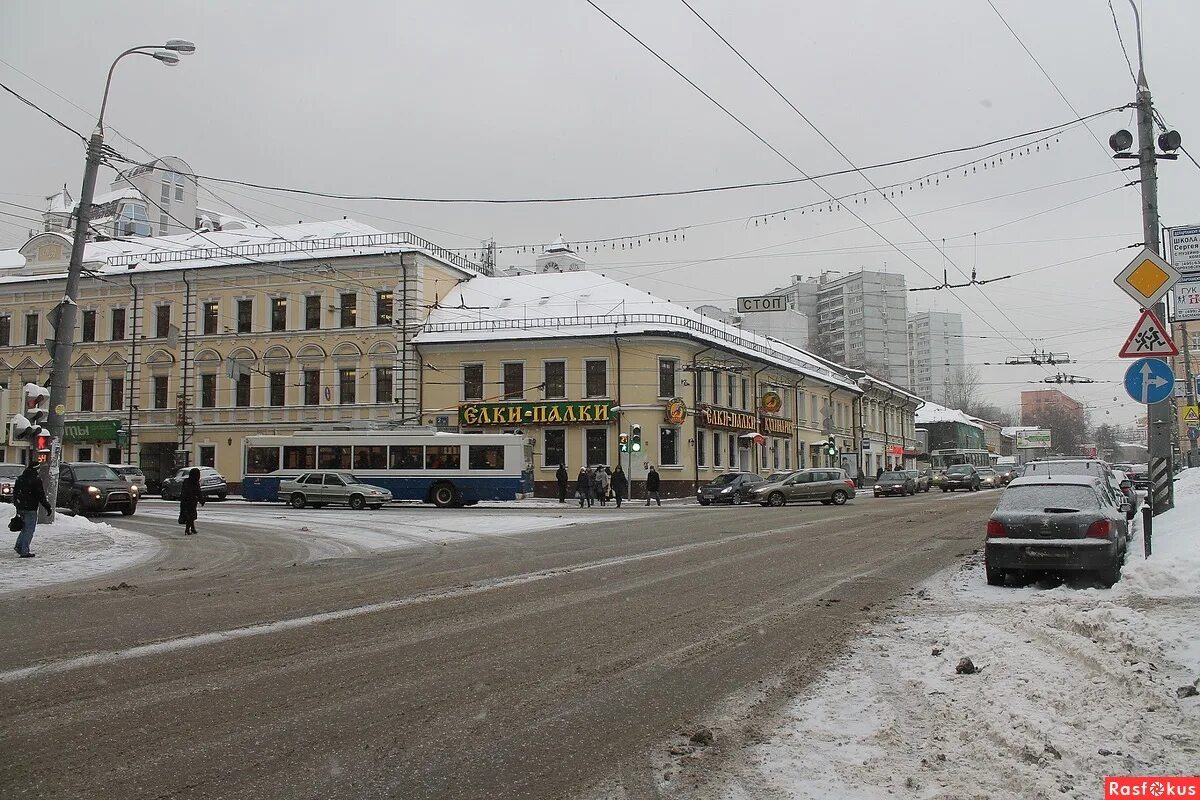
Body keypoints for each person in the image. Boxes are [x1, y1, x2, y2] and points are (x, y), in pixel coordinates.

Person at [13, 463, 51, 558]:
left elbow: (15, 493)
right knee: (29, 529)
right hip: (30, 508)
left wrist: (17, 504)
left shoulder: (20, 478)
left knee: (24, 528)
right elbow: (40, 495)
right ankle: (24, 550)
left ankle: (19, 546)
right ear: (36, 469)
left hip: (21, 507)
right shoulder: (36, 480)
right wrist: (47, 507)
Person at [178, 467, 205, 535]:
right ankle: (187, 529)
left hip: (188, 501)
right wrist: (201, 500)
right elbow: (197, 492)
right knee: (190, 516)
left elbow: (197, 492)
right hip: (190, 501)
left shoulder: (187, 481)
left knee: (190, 515)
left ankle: (192, 528)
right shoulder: (193, 482)